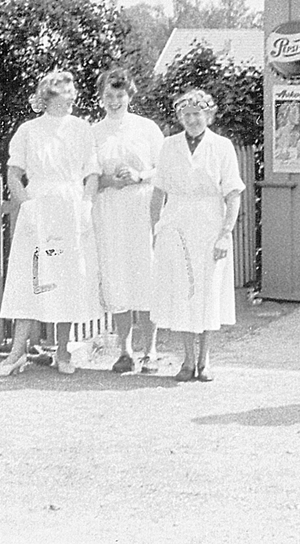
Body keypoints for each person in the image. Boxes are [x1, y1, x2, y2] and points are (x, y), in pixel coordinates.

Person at [0, 70, 103, 376]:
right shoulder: (29, 130)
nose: (72, 96)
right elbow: (14, 175)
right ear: (49, 95)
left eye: (73, 91)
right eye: (65, 91)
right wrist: (28, 206)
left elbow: (92, 173)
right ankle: (16, 354)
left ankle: (63, 352)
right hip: (38, 207)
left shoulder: (82, 128)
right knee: (31, 277)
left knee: (67, 277)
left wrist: (86, 205)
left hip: (70, 207)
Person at [150, 89, 245, 382]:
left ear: (209, 115)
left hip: (209, 226)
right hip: (175, 226)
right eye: (186, 115)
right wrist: (156, 230)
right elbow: (157, 192)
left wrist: (224, 234)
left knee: (206, 292)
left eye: (197, 114)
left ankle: (205, 360)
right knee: (181, 291)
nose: (192, 120)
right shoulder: (169, 146)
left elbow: (233, 194)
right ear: (180, 117)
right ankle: (187, 360)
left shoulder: (222, 146)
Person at [91, 67, 165, 374]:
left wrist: (139, 176)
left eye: (120, 95)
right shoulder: (94, 132)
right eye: (108, 95)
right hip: (109, 212)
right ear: (100, 97)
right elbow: (89, 176)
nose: (115, 101)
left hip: (140, 209)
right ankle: (124, 351)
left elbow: (164, 169)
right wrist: (110, 180)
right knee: (117, 278)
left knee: (145, 278)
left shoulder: (146, 128)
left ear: (129, 94)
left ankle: (149, 351)